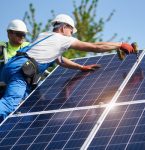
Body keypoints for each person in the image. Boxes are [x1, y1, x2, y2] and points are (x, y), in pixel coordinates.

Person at [0, 14, 137, 121]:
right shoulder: (63, 39)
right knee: (9, 104)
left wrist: (80, 67)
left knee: (23, 105)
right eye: (71, 30)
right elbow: (95, 46)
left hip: (12, 66)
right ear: (63, 27)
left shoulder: (44, 36)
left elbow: (60, 60)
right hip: (22, 71)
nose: (72, 34)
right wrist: (119, 45)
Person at [0, 19, 29, 98]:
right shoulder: (2, 47)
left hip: (22, 87)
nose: (22, 37)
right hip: (3, 88)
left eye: (24, 35)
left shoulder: (28, 46)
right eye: (19, 34)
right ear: (9, 33)